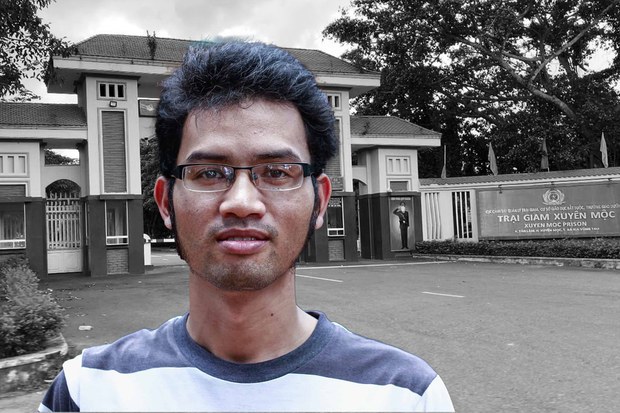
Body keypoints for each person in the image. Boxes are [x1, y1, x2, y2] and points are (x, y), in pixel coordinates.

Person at [39, 41, 454, 412]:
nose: (241, 202)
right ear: (165, 202)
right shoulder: (88, 391)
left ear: (320, 201)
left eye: (277, 172)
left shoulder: (403, 395)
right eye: (208, 173)